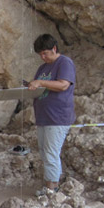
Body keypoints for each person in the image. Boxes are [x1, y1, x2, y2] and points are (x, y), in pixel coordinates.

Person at [27, 34, 76, 196]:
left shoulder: (64, 63)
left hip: (58, 117)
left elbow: (63, 85)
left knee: (51, 152)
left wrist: (40, 83)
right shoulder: (42, 68)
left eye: (45, 53)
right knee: (44, 151)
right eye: (40, 54)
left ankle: (52, 189)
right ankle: (50, 187)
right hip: (44, 117)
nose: (43, 57)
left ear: (54, 49)